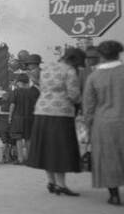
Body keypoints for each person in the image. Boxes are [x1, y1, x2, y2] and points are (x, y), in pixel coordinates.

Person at [83, 41, 124, 206]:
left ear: (101, 56)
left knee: (109, 158)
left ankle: (115, 196)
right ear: (119, 54)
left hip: (104, 123)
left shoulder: (93, 77)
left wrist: (88, 127)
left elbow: (88, 106)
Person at [25, 47, 86, 196]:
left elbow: (40, 84)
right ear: (74, 60)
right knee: (60, 149)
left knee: (46, 148)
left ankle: (51, 181)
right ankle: (61, 184)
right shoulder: (70, 71)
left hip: (41, 111)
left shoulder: (47, 68)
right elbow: (74, 95)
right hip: (61, 114)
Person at [8, 73, 39, 164]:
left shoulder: (16, 91)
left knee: (18, 138)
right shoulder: (33, 92)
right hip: (30, 118)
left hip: (18, 118)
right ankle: (29, 159)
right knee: (28, 138)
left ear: (19, 82)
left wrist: (10, 116)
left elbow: (12, 105)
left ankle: (20, 159)